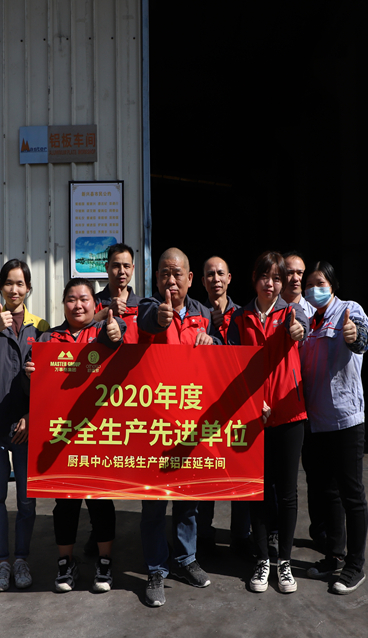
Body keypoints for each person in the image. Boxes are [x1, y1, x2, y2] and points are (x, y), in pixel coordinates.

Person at [29, 277, 126, 593]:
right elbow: (36, 387)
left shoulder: (101, 332)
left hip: (98, 433)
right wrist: (30, 373)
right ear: (63, 304)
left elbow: (118, 338)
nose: (78, 305)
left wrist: (116, 330)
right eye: (71, 299)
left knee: (101, 501)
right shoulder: (48, 338)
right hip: (61, 436)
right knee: (65, 503)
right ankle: (65, 563)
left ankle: (105, 562)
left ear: (94, 304)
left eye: (84, 299)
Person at [135, 247, 216, 607]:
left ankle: (186, 559)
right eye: (164, 274)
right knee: (154, 503)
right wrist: (160, 319)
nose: (171, 281)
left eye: (177, 274)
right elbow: (147, 322)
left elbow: (221, 357)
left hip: (191, 422)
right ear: (156, 278)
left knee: (188, 500)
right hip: (155, 424)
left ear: (190, 279)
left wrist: (212, 341)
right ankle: (156, 568)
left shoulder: (203, 313)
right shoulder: (148, 307)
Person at [226, 251, 307, 594]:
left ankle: (284, 561)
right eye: (265, 277)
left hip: (289, 414)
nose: (270, 284)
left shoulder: (292, 313)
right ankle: (262, 559)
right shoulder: (239, 317)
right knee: (257, 490)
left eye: (276, 278)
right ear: (254, 279)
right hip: (253, 416)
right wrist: (251, 402)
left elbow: (303, 330)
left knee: (287, 493)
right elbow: (230, 365)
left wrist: (298, 331)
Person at [0, 259, 49, 592]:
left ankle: (21, 559)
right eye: (9, 283)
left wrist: (31, 416)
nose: (14, 289)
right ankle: (2, 562)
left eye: (20, 284)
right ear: (0, 286)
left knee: (27, 500)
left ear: (28, 288)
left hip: (27, 427)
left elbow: (47, 379)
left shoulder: (40, 326)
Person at [300, 260, 368, 595]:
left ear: (332, 284)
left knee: (351, 494)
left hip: (345, 420)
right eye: (309, 284)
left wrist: (354, 336)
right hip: (317, 422)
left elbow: (362, 339)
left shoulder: (348, 310)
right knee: (326, 492)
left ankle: (355, 566)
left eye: (320, 283)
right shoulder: (308, 321)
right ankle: (334, 555)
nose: (314, 289)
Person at [196, 256, 252, 559]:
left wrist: (223, 331)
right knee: (206, 470)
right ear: (202, 280)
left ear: (229, 278)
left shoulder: (243, 315)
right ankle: (203, 533)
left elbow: (247, 358)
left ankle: (241, 536)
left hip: (237, 406)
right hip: (204, 405)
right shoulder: (196, 314)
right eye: (210, 274)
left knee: (239, 471)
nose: (215, 278)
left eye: (220, 273)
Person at [282, 251, 327, 552]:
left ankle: (320, 531)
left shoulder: (316, 311)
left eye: (300, 272)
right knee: (279, 477)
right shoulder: (271, 307)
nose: (296, 278)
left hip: (312, 403)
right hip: (282, 405)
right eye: (290, 272)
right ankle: (274, 533)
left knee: (317, 472)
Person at [93, 243, 141, 344]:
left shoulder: (142, 305)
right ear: (107, 267)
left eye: (126, 266)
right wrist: (107, 312)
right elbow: (80, 330)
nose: (122, 271)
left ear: (132, 269)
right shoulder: (93, 302)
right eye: (116, 266)